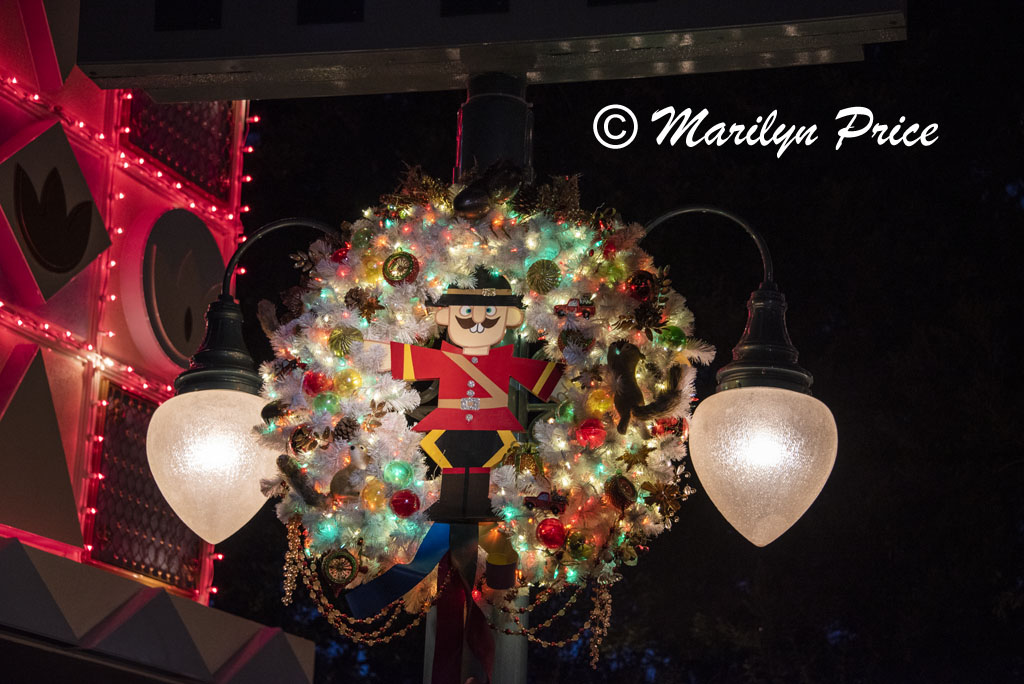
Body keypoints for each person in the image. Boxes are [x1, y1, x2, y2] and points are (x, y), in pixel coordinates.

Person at [374, 268, 562, 521]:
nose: (478, 319)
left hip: (489, 425)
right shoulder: (446, 359)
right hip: (451, 423)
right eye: (465, 311)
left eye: (490, 311)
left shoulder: (502, 361)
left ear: (510, 317)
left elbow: (543, 377)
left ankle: (476, 504)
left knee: (480, 462)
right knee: (452, 460)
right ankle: (450, 503)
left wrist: (569, 374)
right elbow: (408, 359)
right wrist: (371, 353)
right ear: (446, 316)